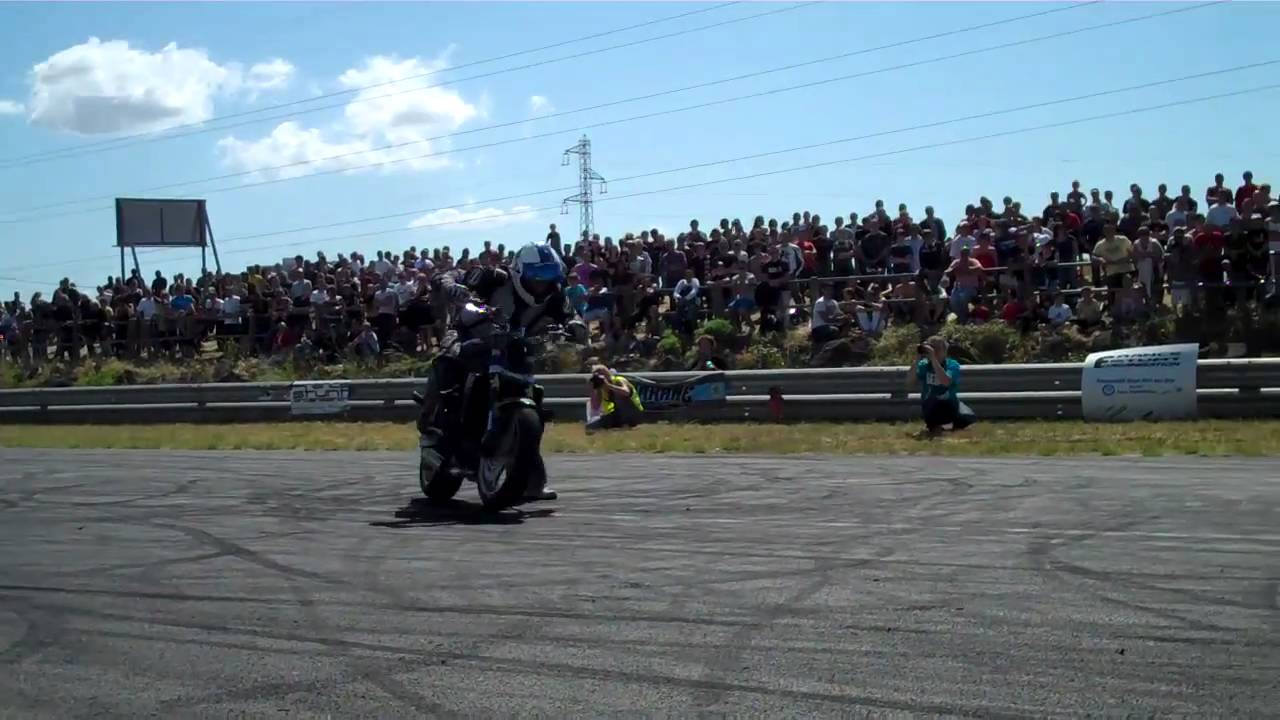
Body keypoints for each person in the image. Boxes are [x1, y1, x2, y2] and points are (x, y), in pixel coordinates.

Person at [417, 241, 572, 502]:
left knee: (532, 399)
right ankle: (430, 423)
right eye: (538, 275)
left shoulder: (556, 293)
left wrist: (575, 326)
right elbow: (454, 279)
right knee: (448, 358)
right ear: (521, 271)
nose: (542, 283)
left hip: (515, 346)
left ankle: (532, 479)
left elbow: (570, 316)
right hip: (471, 335)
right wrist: (452, 288)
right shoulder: (494, 277)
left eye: (549, 276)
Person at [905, 336, 975, 434]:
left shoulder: (952, 364)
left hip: (950, 404)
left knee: (968, 416)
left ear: (945, 351)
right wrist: (917, 359)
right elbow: (909, 383)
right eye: (932, 348)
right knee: (933, 401)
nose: (935, 351)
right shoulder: (924, 365)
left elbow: (946, 382)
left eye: (938, 349)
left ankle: (948, 426)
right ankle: (934, 426)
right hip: (930, 404)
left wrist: (934, 359)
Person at [586, 364, 644, 431]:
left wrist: (608, 385)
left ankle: (628, 425)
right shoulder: (601, 389)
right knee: (591, 426)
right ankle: (620, 425)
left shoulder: (618, 380)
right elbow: (595, 406)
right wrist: (592, 390)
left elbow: (626, 392)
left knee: (619, 396)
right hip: (616, 414)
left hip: (633, 412)